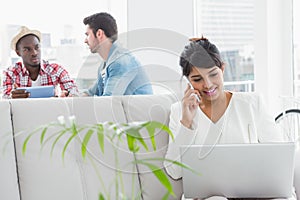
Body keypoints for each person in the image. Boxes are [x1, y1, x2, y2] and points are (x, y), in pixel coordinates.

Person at [163, 37, 296, 200]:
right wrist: (187, 123)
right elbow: (174, 172)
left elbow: (279, 160)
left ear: (223, 69)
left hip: (254, 194)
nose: (208, 84)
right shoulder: (179, 112)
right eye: (197, 79)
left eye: (213, 75)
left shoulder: (252, 104)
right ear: (188, 81)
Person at [82, 12, 153, 96]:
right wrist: (72, 95)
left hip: (135, 109)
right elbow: (91, 93)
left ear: (99, 34)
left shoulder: (120, 62)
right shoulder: (105, 65)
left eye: (87, 35)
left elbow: (108, 101)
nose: (85, 40)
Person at [2, 26, 78, 99]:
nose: (34, 53)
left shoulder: (55, 69)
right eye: (27, 49)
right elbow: (5, 99)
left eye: (37, 47)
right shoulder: (10, 73)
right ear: (18, 53)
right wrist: (11, 97)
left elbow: (73, 90)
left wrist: (67, 93)